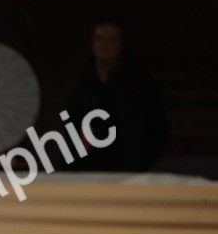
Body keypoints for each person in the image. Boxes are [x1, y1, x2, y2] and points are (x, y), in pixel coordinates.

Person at [66, 17, 168, 172]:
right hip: (86, 170)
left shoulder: (139, 82)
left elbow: (157, 128)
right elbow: (71, 125)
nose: (104, 45)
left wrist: (140, 162)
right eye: (99, 39)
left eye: (111, 39)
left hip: (127, 170)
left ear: (122, 45)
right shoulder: (82, 82)